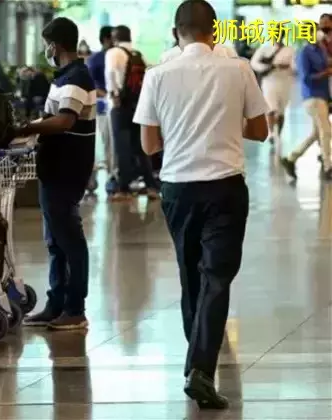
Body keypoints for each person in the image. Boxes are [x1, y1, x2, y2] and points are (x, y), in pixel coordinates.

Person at [133, 0, 268, 409]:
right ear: (215, 31)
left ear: (176, 32)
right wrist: (224, 123)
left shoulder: (157, 75)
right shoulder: (239, 70)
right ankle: (200, 369)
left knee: (192, 276)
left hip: (178, 189)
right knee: (217, 277)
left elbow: (149, 145)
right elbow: (260, 130)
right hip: (225, 188)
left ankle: (198, 365)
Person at [15, 17, 94, 330]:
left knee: (69, 240)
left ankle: (75, 309)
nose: (46, 50)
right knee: (55, 241)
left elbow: (64, 121)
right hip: (55, 166)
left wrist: (26, 128)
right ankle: (56, 303)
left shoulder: (76, 77)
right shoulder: (63, 77)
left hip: (67, 167)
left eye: (47, 45)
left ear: (56, 45)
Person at [105, 25, 159, 200]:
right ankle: (151, 186)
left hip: (120, 105)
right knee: (140, 147)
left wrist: (113, 94)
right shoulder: (138, 55)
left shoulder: (113, 53)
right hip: (138, 105)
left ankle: (124, 188)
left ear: (115, 37)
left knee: (122, 147)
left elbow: (110, 75)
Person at [280, 14, 332, 181]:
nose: (319, 32)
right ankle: (328, 166)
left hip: (323, 96)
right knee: (326, 130)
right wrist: (326, 73)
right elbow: (306, 78)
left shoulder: (321, 50)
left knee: (317, 133)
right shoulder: (304, 52)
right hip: (313, 96)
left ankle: (291, 159)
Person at [87, 26, 116, 193]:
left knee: (112, 145)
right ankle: (95, 178)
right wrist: (105, 94)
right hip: (101, 107)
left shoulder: (116, 55)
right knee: (103, 143)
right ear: (106, 39)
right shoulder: (96, 59)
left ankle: (113, 177)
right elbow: (90, 84)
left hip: (114, 106)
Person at [250, 41, 295, 145]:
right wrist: (269, 67)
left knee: (281, 111)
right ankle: (271, 134)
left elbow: (295, 66)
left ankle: (278, 134)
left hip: (285, 82)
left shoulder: (290, 50)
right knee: (271, 108)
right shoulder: (265, 49)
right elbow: (254, 63)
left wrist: (287, 67)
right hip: (269, 82)